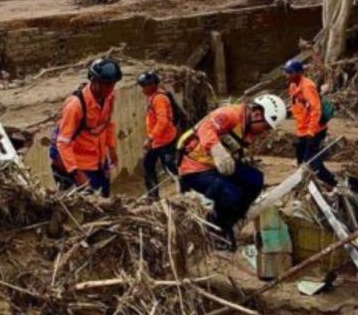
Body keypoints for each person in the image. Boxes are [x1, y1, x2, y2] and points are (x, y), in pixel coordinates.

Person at [178, 94, 287, 249]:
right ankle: (215, 227)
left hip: (215, 166)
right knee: (230, 193)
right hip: (194, 168)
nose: (265, 132)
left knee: (255, 180)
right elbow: (206, 127)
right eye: (266, 127)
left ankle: (230, 221)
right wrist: (217, 149)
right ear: (257, 115)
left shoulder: (248, 128)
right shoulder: (231, 115)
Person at [51, 58, 122, 197]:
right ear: (94, 81)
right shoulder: (75, 106)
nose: (110, 89)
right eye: (107, 85)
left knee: (104, 200)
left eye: (113, 85)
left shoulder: (109, 97)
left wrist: (111, 148)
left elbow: (107, 124)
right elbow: (63, 143)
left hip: (99, 162)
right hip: (80, 166)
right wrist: (76, 173)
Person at [283, 60, 338, 187]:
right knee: (302, 159)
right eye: (286, 72)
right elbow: (297, 106)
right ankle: (307, 185)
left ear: (299, 73)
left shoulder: (307, 86)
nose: (287, 75)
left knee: (311, 163)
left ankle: (334, 183)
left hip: (314, 131)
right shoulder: (293, 86)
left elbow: (316, 109)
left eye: (289, 72)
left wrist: (311, 131)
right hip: (303, 130)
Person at [138, 72, 179, 199]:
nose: (142, 89)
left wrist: (151, 137)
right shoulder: (153, 96)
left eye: (144, 86)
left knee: (170, 166)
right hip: (159, 140)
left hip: (165, 140)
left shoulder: (159, 99)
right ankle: (153, 195)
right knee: (149, 164)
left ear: (152, 85)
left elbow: (163, 121)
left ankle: (189, 186)